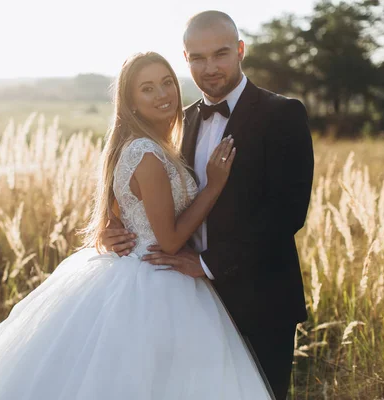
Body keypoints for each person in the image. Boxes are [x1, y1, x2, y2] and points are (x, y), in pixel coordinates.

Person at [0, 51, 273, 399]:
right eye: (147, 88)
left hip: (139, 271)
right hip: (155, 276)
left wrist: (114, 227)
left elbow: (126, 212)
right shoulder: (146, 153)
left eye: (166, 81)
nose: (162, 93)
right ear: (129, 101)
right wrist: (213, 186)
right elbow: (169, 238)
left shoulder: (147, 145)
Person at [101, 11, 314, 400]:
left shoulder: (282, 114)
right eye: (198, 57)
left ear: (240, 51)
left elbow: (286, 214)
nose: (210, 67)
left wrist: (206, 264)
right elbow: (144, 192)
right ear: (186, 60)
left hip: (258, 300)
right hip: (183, 301)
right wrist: (115, 228)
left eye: (220, 54)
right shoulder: (178, 123)